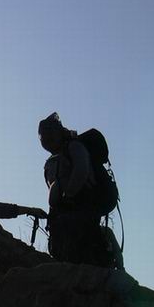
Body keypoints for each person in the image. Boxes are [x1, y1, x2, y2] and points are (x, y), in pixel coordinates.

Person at [39, 112, 104, 265]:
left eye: (49, 135)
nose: (47, 140)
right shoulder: (51, 162)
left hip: (80, 207)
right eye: (43, 137)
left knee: (80, 251)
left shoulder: (74, 147)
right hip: (61, 213)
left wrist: (68, 196)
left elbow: (81, 171)